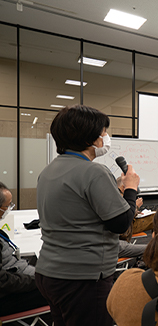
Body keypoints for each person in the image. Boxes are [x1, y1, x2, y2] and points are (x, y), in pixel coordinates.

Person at [35, 105, 140, 326]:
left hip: (49, 272)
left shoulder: (49, 171)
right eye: (102, 132)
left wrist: (115, 186)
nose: (105, 138)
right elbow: (121, 223)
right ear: (88, 139)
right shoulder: (94, 171)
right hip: (83, 277)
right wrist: (130, 189)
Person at [0, 183, 48, 316]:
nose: (9, 209)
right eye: (7, 206)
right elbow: (3, 282)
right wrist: (36, 281)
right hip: (8, 297)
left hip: (19, 278)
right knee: (61, 289)